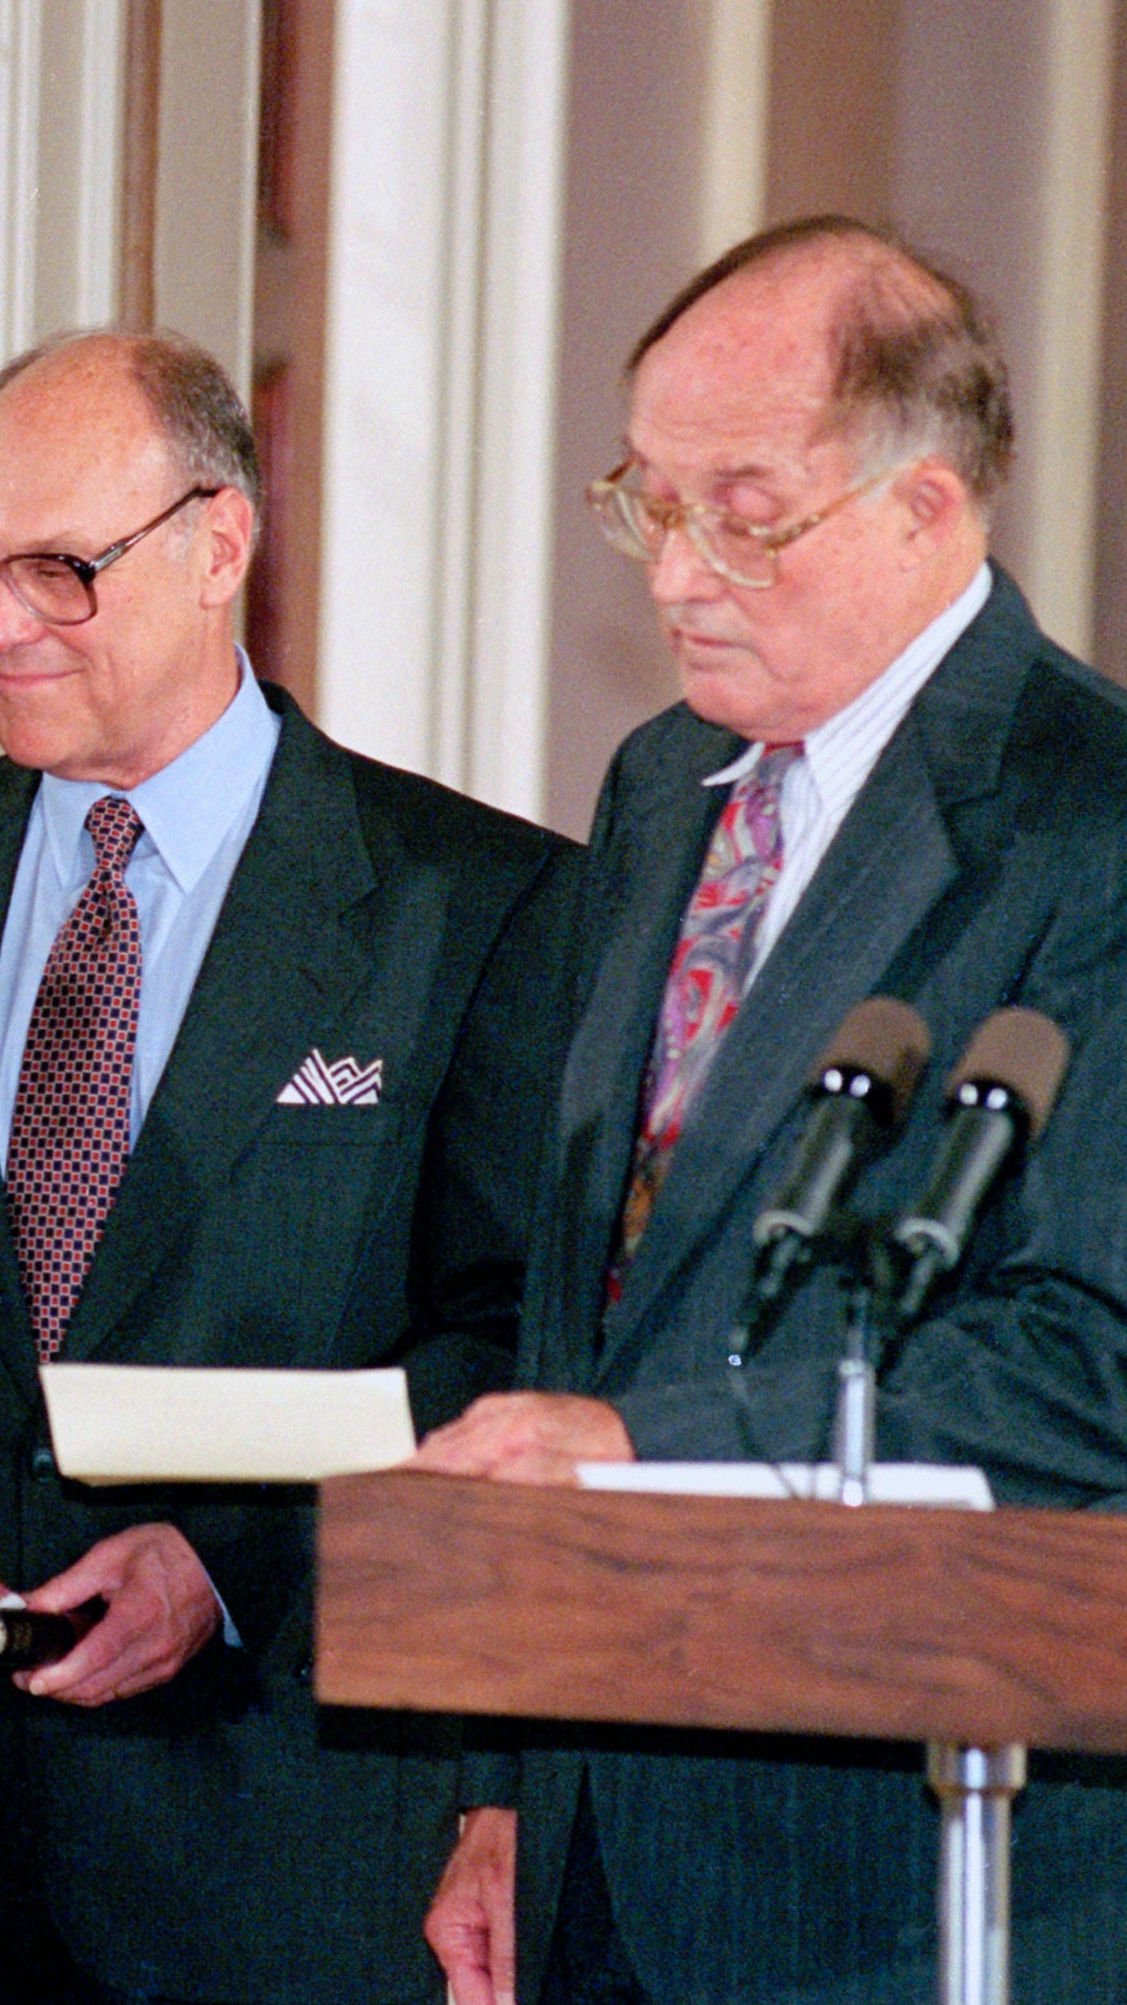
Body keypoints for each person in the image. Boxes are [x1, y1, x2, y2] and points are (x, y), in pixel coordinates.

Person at [0, 329, 582, 2004]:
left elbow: (504, 1346)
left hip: (287, 1864)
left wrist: (228, 1567)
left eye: (60, 571)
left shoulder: (477, 905)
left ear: (221, 541)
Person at [415, 217, 1127, 2005]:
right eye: (645, 500)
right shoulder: (665, 786)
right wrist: (505, 1785)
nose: (674, 573)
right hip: (601, 1840)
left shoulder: (1092, 822)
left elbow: (1084, 1363)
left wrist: (653, 1453)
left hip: (914, 1865)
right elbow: (578, 1303)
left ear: (927, 508)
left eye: (743, 508)